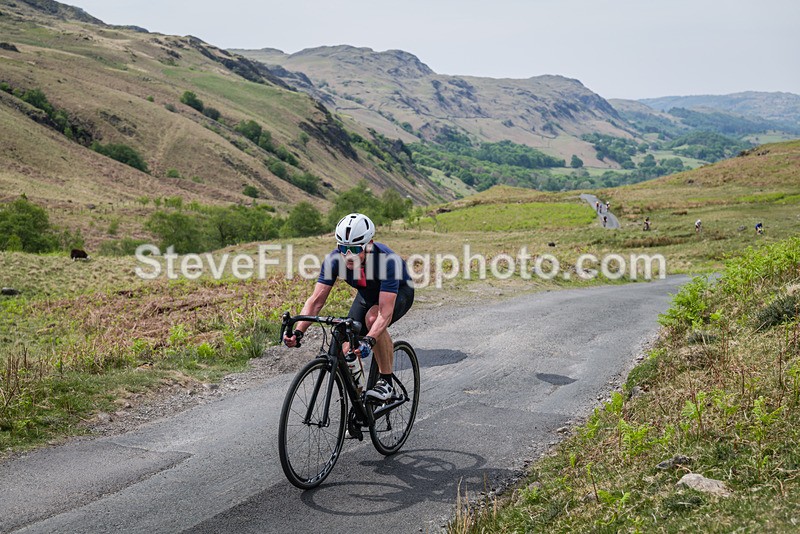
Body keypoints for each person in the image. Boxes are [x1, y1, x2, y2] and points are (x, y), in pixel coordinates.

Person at [283, 213, 414, 402]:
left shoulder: (387, 261)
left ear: (369, 245)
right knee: (344, 346)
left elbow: (384, 313)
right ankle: (360, 402)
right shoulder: (335, 260)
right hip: (367, 294)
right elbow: (316, 301)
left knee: (372, 319)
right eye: (343, 248)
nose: (348, 255)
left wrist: (369, 340)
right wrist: (298, 331)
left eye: (354, 248)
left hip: (399, 293)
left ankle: (387, 383)